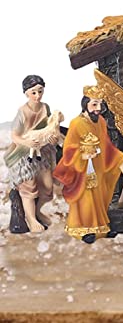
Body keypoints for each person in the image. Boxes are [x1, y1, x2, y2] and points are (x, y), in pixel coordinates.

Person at [53, 85, 123, 243]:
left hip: (98, 166)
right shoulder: (76, 123)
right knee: (86, 198)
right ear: (85, 104)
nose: (98, 109)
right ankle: (83, 229)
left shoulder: (101, 122)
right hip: (82, 168)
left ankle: (101, 227)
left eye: (100, 104)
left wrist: (122, 162)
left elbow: (107, 146)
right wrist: (82, 155)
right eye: (94, 104)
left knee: (99, 197)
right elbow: (68, 149)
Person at [4, 75, 58, 233]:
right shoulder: (22, 112)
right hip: (24, 156)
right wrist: (27, 143)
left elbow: (50, 128)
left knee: (47, 188)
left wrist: (53, 137)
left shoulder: (45, 108)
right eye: (33, 92)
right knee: (29, 187)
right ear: (26, 93)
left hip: (42, 153)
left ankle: (37, 211)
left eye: (40, 91)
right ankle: (31, 218)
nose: (37, 95)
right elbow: (14, 136)